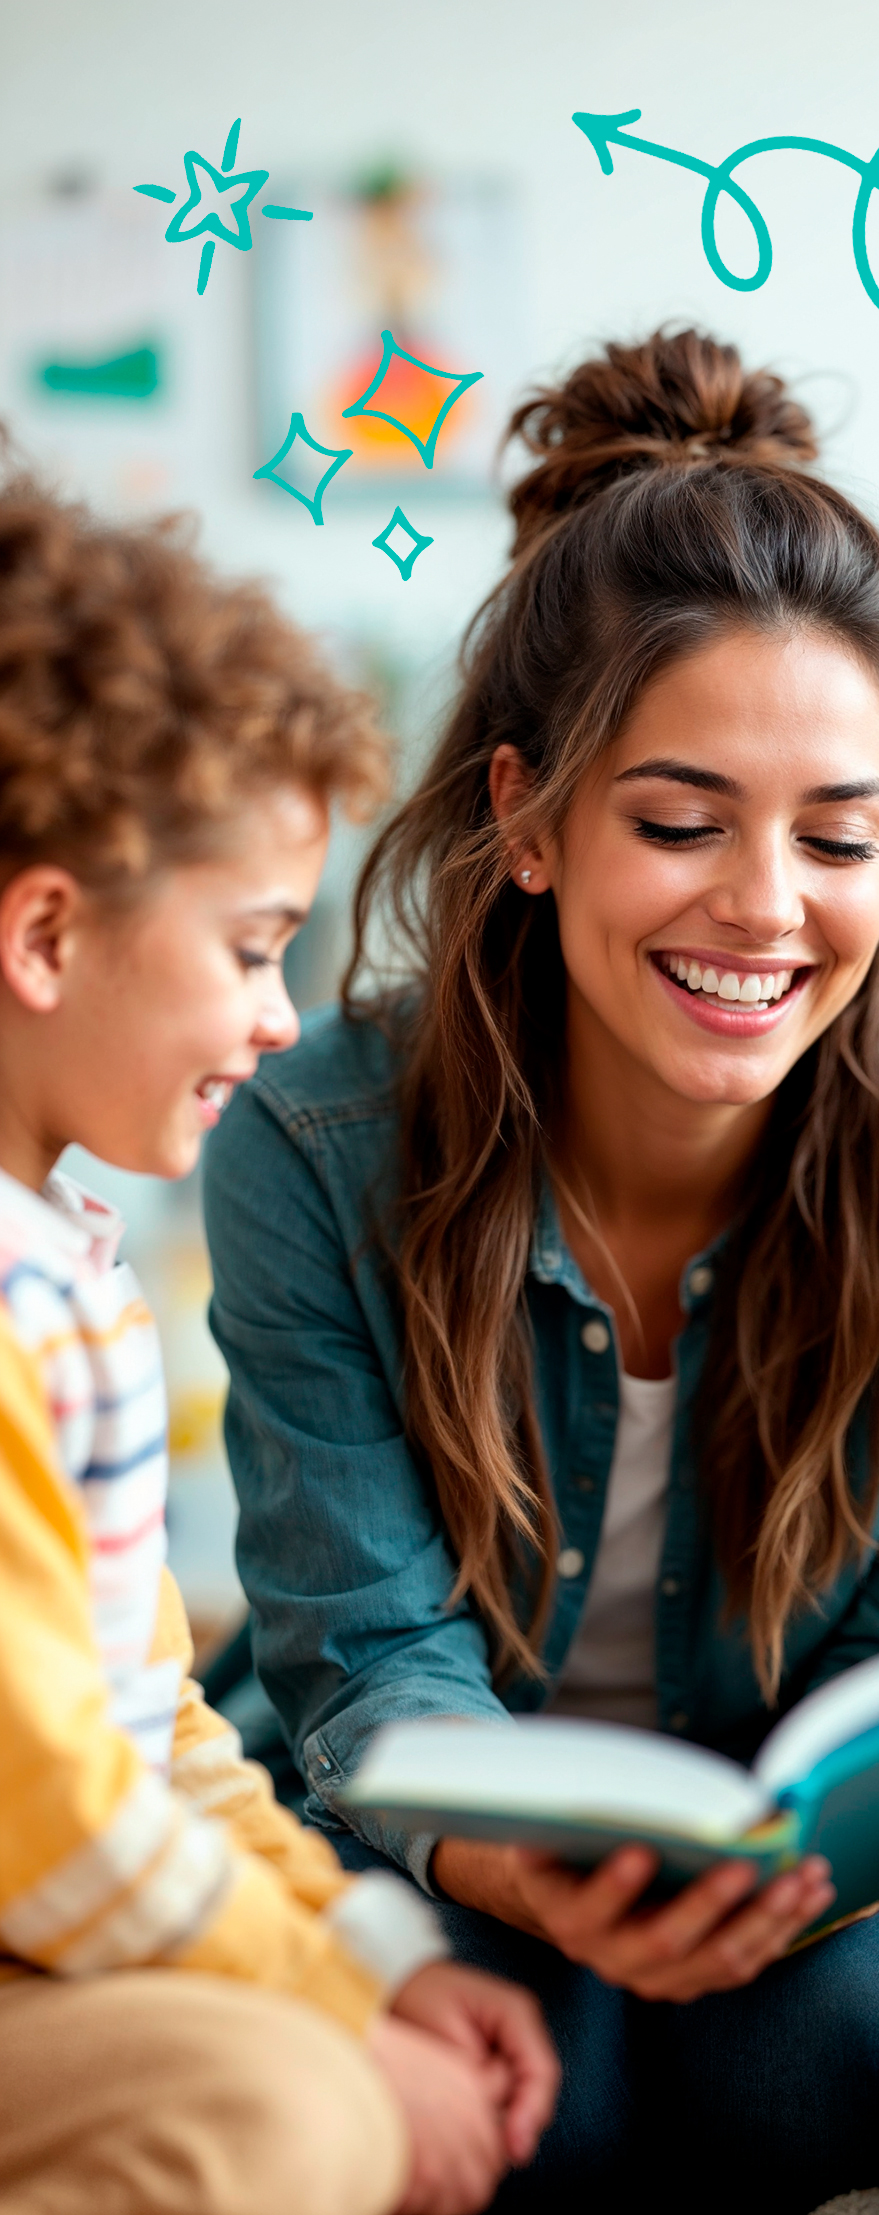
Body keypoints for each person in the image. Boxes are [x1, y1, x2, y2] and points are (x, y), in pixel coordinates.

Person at [203, 326, 879, 2214]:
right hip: (420, 1844)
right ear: (526, 815)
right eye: (681, 823)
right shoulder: (316, 1138)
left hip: (799, 1891)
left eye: (837, 836)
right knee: (409, 2107)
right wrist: (525, 1883)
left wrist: (773, 1885)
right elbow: (363, 1657)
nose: (766, 906)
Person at [0, 470, 559, 2215]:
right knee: (298, 2113)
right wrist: (333, 2007)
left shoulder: (69, 1273)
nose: (279, 1013)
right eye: (249, 948)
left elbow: (152, 1729)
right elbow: (64, 1820)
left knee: (316, 2078)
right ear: (45, 933)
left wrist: (376, 1953)